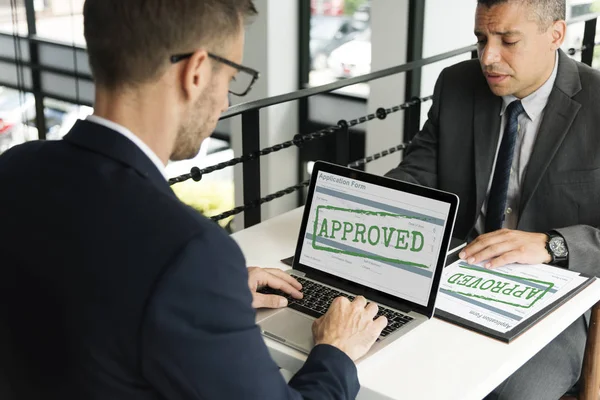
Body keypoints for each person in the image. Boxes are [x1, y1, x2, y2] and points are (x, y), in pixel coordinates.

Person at [0, 1, 388, 399]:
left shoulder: (15, 169)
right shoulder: (188, 252)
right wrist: (336, 351)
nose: (226, 103)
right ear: (196, 72)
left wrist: (210, 299)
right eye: (232, 79)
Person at [386, 0, 600, 398]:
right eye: (481, 39)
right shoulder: (457, 84)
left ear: (556, 34)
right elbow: (418, 172)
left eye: (508, 40)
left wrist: (551, 244)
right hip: (458, 269)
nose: (488, 57)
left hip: (559, 295)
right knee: (386, 358)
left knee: (507, 391)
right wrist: (379, 206)